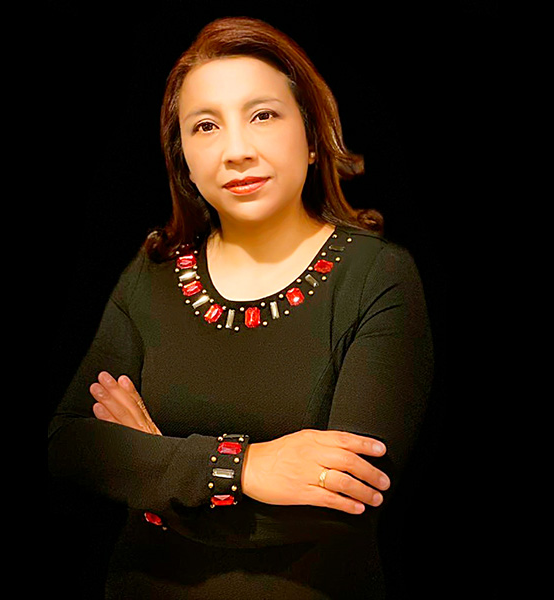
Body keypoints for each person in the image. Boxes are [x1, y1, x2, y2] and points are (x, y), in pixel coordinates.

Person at [48, 16, 433, 599]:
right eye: (205, 126)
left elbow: (341, 508)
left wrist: (152, 475)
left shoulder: (378, 276)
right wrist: (243, 467)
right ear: (183, 159)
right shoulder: (150, 274)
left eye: (263, 115)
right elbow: (70, 448)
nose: (236, 151)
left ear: (312, 137)